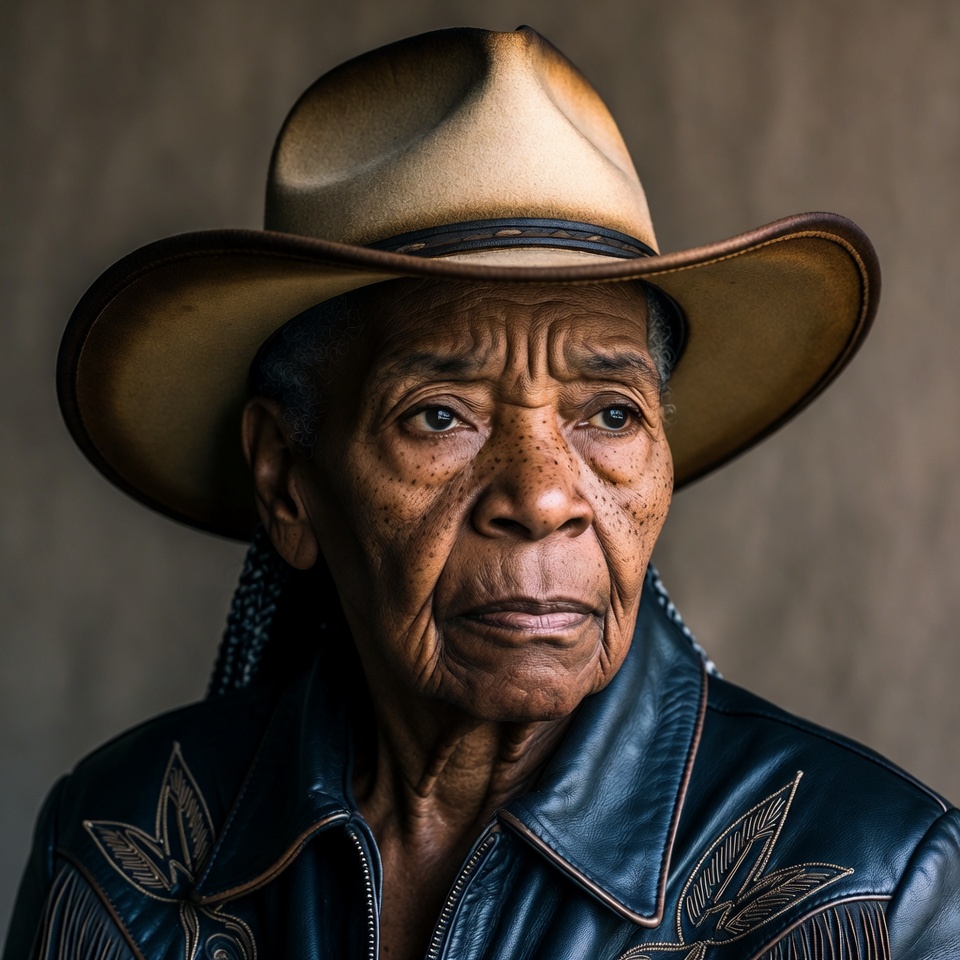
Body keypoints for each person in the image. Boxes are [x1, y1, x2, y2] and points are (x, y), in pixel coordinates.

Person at [5, 25, 959, 960]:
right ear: (288, 484)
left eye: (611, 415)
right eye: (439, 416)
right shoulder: (110, 849)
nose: (543, 497)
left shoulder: (882, 891)